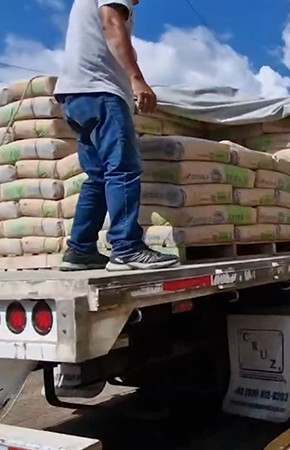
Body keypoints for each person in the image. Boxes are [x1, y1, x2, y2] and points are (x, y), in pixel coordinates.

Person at [55, 0, 179, 271]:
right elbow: (111, 22)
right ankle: (126, 248)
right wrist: (137, 79)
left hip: (76, 95)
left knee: (98, 176)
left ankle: (80, 250)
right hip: (101, 92)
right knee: (122, 168)